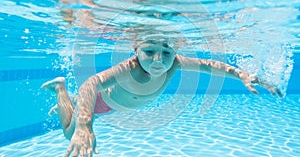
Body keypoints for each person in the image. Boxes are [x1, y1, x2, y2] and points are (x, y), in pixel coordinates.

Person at [41, 39, 282, 157]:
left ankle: (69, 99)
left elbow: (209, 67)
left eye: (166, 52)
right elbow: (90, 84)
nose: (159, 61)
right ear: (136, 50)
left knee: (82, 102)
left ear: (174, 51)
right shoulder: (129, 67)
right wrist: (84, 125)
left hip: (117, 105)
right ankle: (61, 89)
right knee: (69, 133)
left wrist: (241, 74)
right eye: (149, 52)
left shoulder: (175, 63)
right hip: (102, 103)